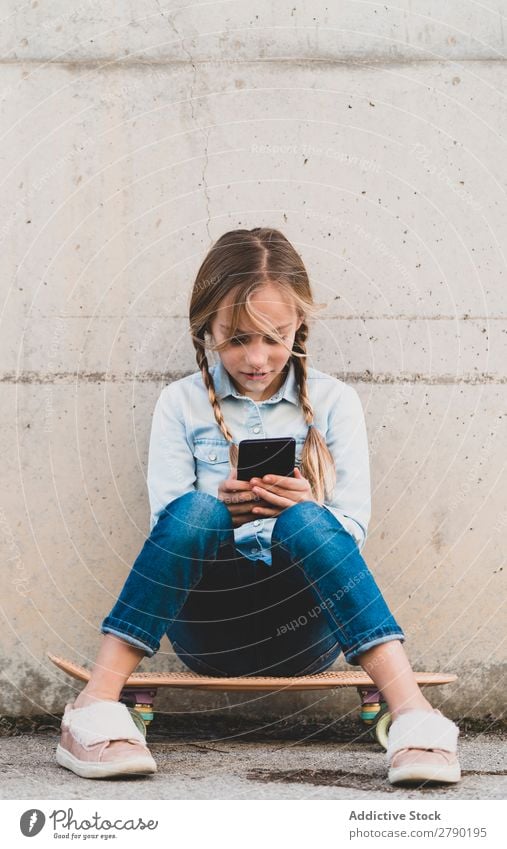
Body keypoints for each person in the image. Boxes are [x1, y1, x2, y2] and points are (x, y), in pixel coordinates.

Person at [56, 227, 460, 785]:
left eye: (275, 336)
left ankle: (415, 717)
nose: (257, 357)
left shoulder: (337, 401)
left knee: (309, 519)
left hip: (309, 630)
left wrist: (305, 508)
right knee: (195, 512)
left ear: (300, 327)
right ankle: (92, 707)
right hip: (209, 627)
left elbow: (352, 532)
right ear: (207, 330)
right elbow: (166, 536)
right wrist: (225, 512)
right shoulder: (180, 403)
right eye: (237, 338)